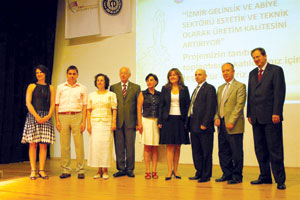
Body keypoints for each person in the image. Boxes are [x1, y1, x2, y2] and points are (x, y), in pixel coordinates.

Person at [247, 47, 286, 190]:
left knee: (275, 149)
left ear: (265, 56)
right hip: (256, 118)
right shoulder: (252, 73)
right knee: (260, 149)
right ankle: (265, 177)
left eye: (258, 56)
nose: (256, 59)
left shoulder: (276, 70)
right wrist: (249, 113)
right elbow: (250, 95)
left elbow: (279, 93)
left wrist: (277, 112)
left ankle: (280, 180)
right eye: (254, 57)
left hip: (271, 117)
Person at [22, 65, 55, 180]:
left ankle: (41, 170)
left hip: (46, 116)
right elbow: (28, 102)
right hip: (33, 116)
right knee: (33, 143)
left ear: (45, 73)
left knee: (43, 144)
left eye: (41, 72)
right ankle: (33, 170)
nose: (39, 74)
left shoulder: (51, 87)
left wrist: (48, 116)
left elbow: (52, 104)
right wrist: (36, 116)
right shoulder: (31, 86)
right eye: (37, 72)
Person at [214, 63, 246, 184]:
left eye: (228, 70)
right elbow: (217, 105)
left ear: (233, 71)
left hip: (234, 125)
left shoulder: (240, 86)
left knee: (236, 151)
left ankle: (237, 176)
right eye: (223, 71)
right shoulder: (220, 88)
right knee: (223, 150)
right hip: (221, 124)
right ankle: (226, 174)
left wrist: (231, 121)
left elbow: (239, 105)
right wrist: (216, 117)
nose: (225, 73)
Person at [158, 68, 190, 181]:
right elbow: (161, 105)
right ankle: (169, 170)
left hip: (180, 120)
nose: (172, 77)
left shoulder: (184, 89)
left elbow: (188, 106)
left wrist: (187, 121)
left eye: (174, 75)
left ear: (178, 77)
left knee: (177, 146)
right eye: (170, 75)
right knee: (170, 146)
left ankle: (176, 170)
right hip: (168, 120)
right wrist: (159, 121)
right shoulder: (165, 89)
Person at [55, 65, 87, 179]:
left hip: (77, 116)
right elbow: (57, 104)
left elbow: (84, 105)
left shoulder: (82, 88)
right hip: (63, 116)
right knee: (64, 145)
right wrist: (57, 121)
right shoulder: (60, 87)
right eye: (70, 73)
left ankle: (80, 170)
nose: (72, 76)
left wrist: (84, 122)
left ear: (77, 75)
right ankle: (66, 170)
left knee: (79, 144)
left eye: (74, 74)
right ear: (67, 75)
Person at [110, 67, 141, 178]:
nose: (123, 75)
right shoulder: (113, 87)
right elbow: (111, 106)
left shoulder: (136, 88)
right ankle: (121, 169)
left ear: (130, 75)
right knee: (118, 146)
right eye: (121, 73)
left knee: (130, 146)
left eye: (125, 73)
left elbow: (138, 106)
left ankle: (130, 169)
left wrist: (138, 122)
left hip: (131, 122)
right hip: (117, 121)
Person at [188, 69, 216, 183]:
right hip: (193, 125)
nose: (197, 76)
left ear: (205, 76)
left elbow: (210, 107)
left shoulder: (209, 88)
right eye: (195, 75)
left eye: (200, 74)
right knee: (196, 151)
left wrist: (205, 123)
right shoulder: (195, 89)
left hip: (204, 127)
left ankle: (206, 175)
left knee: (206, 152)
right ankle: (199, 172)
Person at [87, 73, 117, 180]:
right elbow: (89, 111)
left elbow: (114, 109)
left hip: (107, 123)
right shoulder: (91, 95)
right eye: (98, 80)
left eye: (102, 80)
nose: (99, 82)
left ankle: (105, 170)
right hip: (95, 123)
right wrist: (88, 124)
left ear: (106, 82)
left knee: (105, 147)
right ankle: (98, 170)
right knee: (96, 147)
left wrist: (113, 122)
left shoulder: (111, 94)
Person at [137, 73, 161, 179]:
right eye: (147, 80)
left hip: (156, 122)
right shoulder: (142, 93)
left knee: (155, 147)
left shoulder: (160, 94)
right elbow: (138, 109)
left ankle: (154, 171)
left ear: (156, 82)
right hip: (145, 121)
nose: (149, 82)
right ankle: (147, 171)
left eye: (151, 80)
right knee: (147, 147)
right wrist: (139, 123)